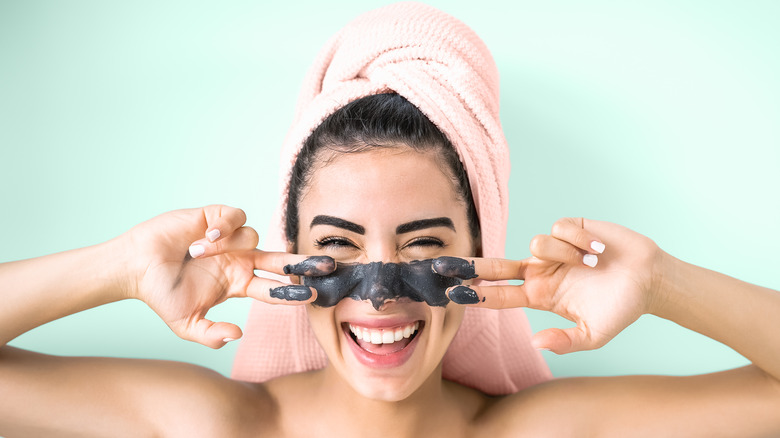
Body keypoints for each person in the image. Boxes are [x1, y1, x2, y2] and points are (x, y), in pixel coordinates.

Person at [2, 3, 780, 437]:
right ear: (286, 261)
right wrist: (123, 267)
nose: (378, 296)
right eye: (337, 248)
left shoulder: (546, 434)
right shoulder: (209, 428)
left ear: (482, 254)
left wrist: (661, 283)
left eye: (426, 247)